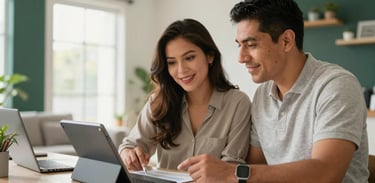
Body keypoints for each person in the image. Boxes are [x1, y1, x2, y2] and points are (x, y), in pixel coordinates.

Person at [177, 0, 369, 182]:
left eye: (251, 45)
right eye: (239, 45)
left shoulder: (335, 85)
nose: (241, 57)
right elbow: (256, 166)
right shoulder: (263, 95)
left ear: (286, 41)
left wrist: (234, 173)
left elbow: (326, 174)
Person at [119, 18, 251, 170]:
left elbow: (232, 167)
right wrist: (128, 154)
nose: (181, 70)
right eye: (172, 62)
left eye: (189, 58)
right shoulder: (159, 102)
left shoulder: (237, 103)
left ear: (210, 56)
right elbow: (130, 145)